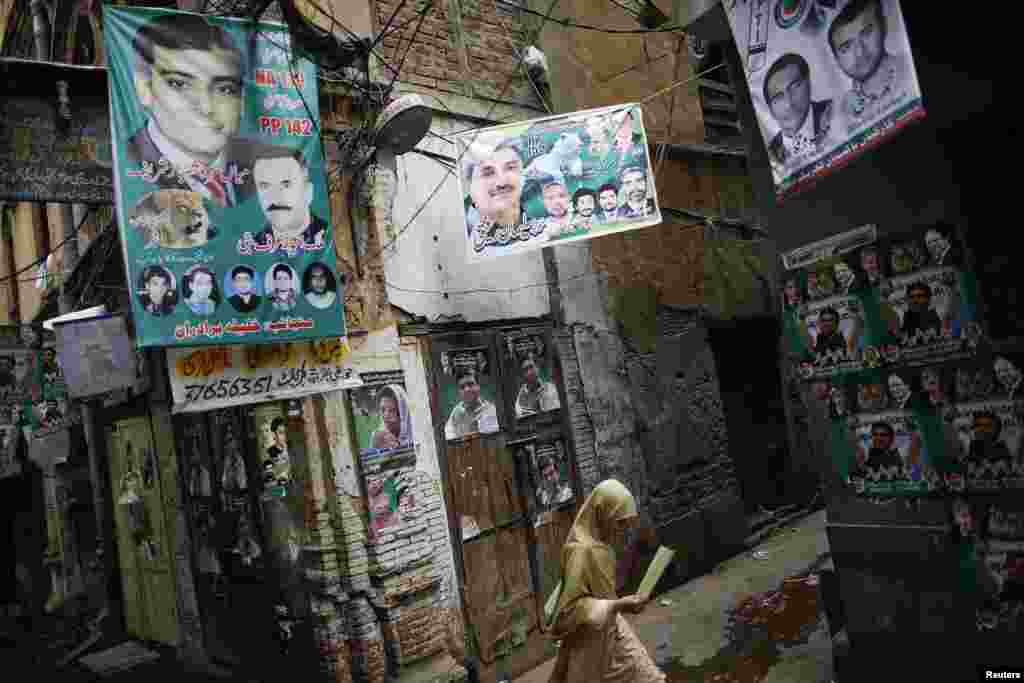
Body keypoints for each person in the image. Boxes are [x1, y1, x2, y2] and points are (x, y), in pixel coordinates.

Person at [128, 13, 255, 207]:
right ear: (144, 88)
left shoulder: (278, 167)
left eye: (225, 89)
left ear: (242, 100)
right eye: (179, 84)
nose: (206, 108)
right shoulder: (123, 163)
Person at [545, 479, 664, 683]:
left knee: (650, 677)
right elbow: (568, 611)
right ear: (601, 514)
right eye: (619, 522)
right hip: (589, 643)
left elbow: (603, 591)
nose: (624, 529)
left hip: (613, 627)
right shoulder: (581, 551)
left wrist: (619, 604)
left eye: (626, 522)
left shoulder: (602, 545)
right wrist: (618, 604)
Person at [827, 0, 914, 124]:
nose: (860, 52)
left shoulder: (911, 68)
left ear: (883, 26)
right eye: (846, 47)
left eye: (866, 33)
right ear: (836, 59)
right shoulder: (838, 119)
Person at [763, 53, 834, 166]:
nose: (789, 102)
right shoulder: (770, 155)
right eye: (778, 97)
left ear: (808, 83)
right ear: (771, 110)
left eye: (795, 86)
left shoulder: (835, 111)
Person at [252, 146, 327, 251]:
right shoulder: (252, 247)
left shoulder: (329, 238)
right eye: (264, 186)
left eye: (286, 184)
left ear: (308, 191)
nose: (275, 196)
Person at [464, 140, 526, 239]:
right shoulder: (464, 234)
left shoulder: (547, 225)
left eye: (510, 168)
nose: (501, 182)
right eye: (488, 173)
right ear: (471, 189)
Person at [444, 367, 498, 440]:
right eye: (462, 387)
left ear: (478, 386)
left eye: (470, 384)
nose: (467, 389)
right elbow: (448, 435)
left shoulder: (490, 410)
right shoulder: (457, 411)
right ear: (459, 392)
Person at [370, 385, 413, 452]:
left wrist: (399, 447)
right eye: (383, 410)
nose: (386, 415)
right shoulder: (379, 437)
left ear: (402, 413)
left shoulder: (415, 437)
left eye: (392, 410)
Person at [264, 417, 290, 487]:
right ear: (274, 434)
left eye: (286, 432)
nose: (285, 436)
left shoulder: (293, 449)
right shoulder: (268, 454)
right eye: (281, 433)